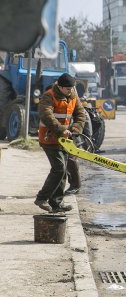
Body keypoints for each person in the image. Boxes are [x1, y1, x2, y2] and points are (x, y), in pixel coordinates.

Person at [34, 73, 86, 213]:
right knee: (59, 169)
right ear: (60, 87)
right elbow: (46, 115)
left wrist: (76, 128)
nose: (71, 91)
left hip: (65, 140)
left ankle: (56, 203)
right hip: (49, 138)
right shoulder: (48, 96)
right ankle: (41, 198)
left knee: (62, 171)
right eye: (68, 89)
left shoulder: (73, 95)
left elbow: (80, 113)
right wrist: (62, 130)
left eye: (72, 88)